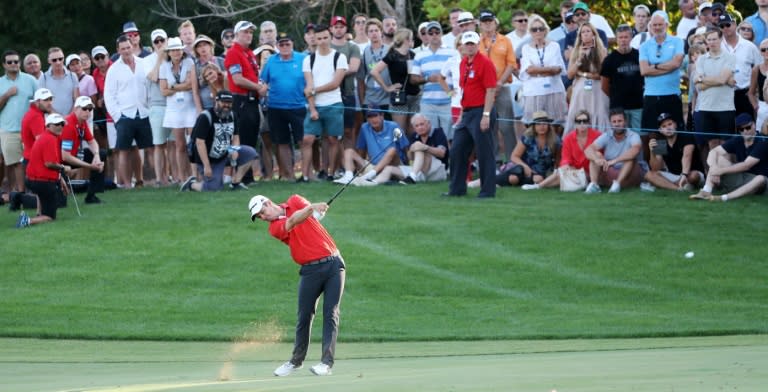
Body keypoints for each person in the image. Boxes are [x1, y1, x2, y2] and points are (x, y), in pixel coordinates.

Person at [248, 193, 345, 377]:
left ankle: (326, 363)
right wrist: (312, 208)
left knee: (331, 313)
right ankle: (296, 361)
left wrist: (316, 211)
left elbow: (310, 214)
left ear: (268, 202)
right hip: (309, 271)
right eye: (259, 217)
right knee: (304, 316)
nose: (262, 217)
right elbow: (293, 221)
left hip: (334, 264)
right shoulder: (274, 228)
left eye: (261, 212)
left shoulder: (295, 200)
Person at [445, 31, 498, 198]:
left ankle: (488, 191)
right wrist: (462, 112)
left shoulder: (485, 63)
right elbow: (464, 90)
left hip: (481, 110)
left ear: (477, 44)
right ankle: (457, 189)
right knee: (457, 150)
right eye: (466, 44)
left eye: (472, 44)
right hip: (467, 112)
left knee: (484, 152)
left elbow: (490, 90)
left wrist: (486, 115)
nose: (469, 46)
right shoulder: (463, 63)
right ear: (462, 45)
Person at [180, 91, 258, 191]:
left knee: (250, 153)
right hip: (207, 157)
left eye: (229, 102)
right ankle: (191, 185)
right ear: (216, 101)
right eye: (224, 102)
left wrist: (234, 150)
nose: (227, 105)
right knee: (213, 188)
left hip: (224, 153)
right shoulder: (205, 117)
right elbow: (199, 143)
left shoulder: (232, 115)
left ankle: (236, 182)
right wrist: (206, 166)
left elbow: (236, 136)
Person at [103, 34, 154, 189]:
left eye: (128, 47)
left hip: (144, 113)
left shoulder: (143, 63)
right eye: (122, 48)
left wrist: (150, 108)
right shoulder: (113, 69)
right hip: (125, 115)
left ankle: (144, 181)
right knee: (124, 150)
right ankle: (126, 184)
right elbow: (109, 95)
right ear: (118, 50)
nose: (126, 51)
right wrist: (118, 117)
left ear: (133, 46)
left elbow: (150, 87)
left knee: (148, 148)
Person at [300, 25, 348, 182]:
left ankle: (331, 173)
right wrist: (312, 108)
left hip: (334, 103)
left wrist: (314, 90)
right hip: (315, 105)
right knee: (308, 139)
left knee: (333, 139)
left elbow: (335, 83)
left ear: (330, 36)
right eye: (319, 38)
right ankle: (306, 175)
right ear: (315, 39)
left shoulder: (339, 57)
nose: (322, 41)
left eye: (325, 37)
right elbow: (308, 86)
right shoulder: (309, 59)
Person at [259, 33, 307, 180]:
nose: (285, 47)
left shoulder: (302, 58)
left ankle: (306, 174)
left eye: (288, 44)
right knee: (281, 142)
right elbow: (263, 81)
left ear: (293, 44)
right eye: (281, 44)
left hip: (298, 105)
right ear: (277, 46)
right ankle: (290, 175)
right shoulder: (271, 61)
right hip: (276, 107)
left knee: (303, 140)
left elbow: (310, 79)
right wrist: (261, 90)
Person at [470, 110, 560, 188]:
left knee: (536, 179)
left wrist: (552, 174)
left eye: (544, 123)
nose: (542, 126)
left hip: (540, 172)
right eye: (538, 124)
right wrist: (526, 167)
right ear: (533, 126)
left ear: (549, 125)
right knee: (513, 178)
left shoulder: (556, 141)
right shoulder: (528, 138)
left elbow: (558, 161)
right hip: (522, 168)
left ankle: (497, 184)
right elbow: (514, 156)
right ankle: (485, 182)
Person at [690, 113, 768, 201]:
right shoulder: (738, 139)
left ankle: (724, 198)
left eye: (748, 127)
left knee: (760, 178)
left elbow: (747, 165)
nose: (745, 131)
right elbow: (713, 151)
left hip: (759, 182)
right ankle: (706, 191)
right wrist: (714, 167)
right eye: (741, 129)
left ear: (754, 125)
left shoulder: (763, 141)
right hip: (741, 177)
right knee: (719, 159)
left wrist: (720, 171)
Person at [522, 109, 601, 191]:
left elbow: (601, 155)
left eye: (584, 121)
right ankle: (538, 186)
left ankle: (593, 184)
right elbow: (565, 158)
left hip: (591, 170)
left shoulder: (597, 135)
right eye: (578, 121)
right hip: (573, 170)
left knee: (596, 155)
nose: (582, 124)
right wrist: (567, 166)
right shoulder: (568, 138)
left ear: (589, 122)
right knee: (561, 172)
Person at [225, 21, 263, 183]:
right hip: (241, 100)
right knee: (244, 139)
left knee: (251, 138)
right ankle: (242, 177)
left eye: (250, 32)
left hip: (252, 100)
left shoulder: (249, 53)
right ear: (236, 35)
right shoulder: (234, 52)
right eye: (245, 32)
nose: (248, 35)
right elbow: (237, 79)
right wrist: (258, 87)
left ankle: (247, 176)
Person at [16, 113, 69, 228]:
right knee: (50, 217)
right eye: (57, 124)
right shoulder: (50, 139)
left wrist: (59, 178)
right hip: (42, 182)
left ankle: (38, 213)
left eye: (62, 124)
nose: (60, 126)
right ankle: (27, 221)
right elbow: (49, 163)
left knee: (45, 196)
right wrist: (64, 168)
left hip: (34, 179)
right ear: (48, 126)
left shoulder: (47, 137)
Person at [477, 9, 517, 160]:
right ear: (480, 25)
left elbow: (511, 64)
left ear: (495, 23)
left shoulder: (505, 40)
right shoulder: (476, 41)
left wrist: (499, 83)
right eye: (484, 22)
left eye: (490, 21)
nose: (488, 25)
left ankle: (513, 161)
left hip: (502, 88)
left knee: (507, 126)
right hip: (483, 90)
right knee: (488, 126)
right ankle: (492, 162)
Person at [364, 113, 447, 185]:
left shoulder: (438, 132)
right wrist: (412, 149)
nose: (420, 127)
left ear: (428, 123)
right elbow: (410, 158)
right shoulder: (414, 136)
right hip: (419, 171)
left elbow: (442, 153)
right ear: (414, 128)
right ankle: (373, 183)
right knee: (389, 169)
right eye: (417, 126)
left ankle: (412, 177)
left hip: (436, 170)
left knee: (419, 147)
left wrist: (425, 147)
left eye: (422, 124)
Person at [336, 105, 409, 184]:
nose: (373, 119)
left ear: (382, 116)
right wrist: (361, 165)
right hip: (373, 165)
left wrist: (406, 165)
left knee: (392, 150)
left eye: (375, 116)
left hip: (393, 165)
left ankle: (368, 176)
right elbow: (361, 150)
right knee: (348, 151)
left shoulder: (393, 126)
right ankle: (348, 177)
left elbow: (404, 147)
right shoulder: (364, 127)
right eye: (370, 117)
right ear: (367, 119)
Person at [639, 11, 685, 134]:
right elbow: (644, 70)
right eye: (654, 25)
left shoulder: (677, 41)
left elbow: (676, 64)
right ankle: (657, 154)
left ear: (667, 25)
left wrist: (654, 67)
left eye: (660, 24)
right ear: (650, 26)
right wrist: (667, 66)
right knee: (654, 134)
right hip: (651, 96)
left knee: (675, 132)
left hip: (672, 94)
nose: (657, 28)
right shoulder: (644, 46)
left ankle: (673, 154)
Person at [519, 14, 568, 129]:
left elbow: (558, 69)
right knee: (534, 126)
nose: (538, 31)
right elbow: (529, 70)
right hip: (534, 92)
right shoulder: (526, 48)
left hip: (554, 90)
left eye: (541, 28)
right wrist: (549, 70)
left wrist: (538, 72)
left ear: (546, 30)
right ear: (529, 32)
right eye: (534, 29)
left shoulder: (554, 46)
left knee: (557, 125)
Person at [693, 26, 736, 155]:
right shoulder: (701, 59)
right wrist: (721, 80)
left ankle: (725, 173)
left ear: (721, 39)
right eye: (709, 40)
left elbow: (722, 80)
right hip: (706, 107)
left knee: (726, 147)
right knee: (712, 145)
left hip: (725, 108)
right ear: (706, 42)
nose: (712, 42)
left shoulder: (730, 57)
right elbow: (699, 87)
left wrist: (702, 79)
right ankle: (714, 174)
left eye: (714, 39)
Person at [584, 108, 646, 193]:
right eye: (614, 121)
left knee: (630, 158)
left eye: (620, 121)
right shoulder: (607, 135)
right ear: (610, 123)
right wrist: (596, 159)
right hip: (610, 170)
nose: (617, 124)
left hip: (630, 172)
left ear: (625, 122)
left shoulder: (634, 135)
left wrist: (615, 161)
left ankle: (617, 185)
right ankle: (594, 185)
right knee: (596, 154)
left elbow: (635, 150)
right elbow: (588, 149)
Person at [1, 49, 38, 192]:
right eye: (9, 62)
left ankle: (33, 192)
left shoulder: (31, 80)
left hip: (30, 130)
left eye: (16, 61)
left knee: (32, 161)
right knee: (15, 163)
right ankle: (20, 193)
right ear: (4, 65)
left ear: (20, 63)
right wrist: (6, 95)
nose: (13, 64)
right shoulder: (0, 83)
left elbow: (40, 102)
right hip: (9, 130)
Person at [371, 28, 419, 134]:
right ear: (406, 40)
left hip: (414, 96)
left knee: (414, 129)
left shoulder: (412, 54)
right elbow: (374, 71)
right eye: (411, 38)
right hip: (399, 97)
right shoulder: (392, 55)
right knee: (400, 131)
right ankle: (400, 150)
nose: (413, 41)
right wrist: (387, 88)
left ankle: (411, 150)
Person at [329, 16, 362, 171]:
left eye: (342, 26)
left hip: (347, 94)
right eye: (336, 26)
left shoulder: (352, 47)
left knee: (349, 131)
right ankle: (331, 168)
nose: (339, 29)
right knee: (331, 135)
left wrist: (334, 74)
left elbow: (354, 68)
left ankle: (350, 166)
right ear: (331, 29)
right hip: (329, 95)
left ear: (346, 29)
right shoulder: (326, 47)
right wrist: (342, 70)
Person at [410, 21, 456, 133]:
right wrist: (427, 79)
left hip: (448, 100)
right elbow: (413, 79)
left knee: (450, 136)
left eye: (437, 32)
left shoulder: (452, 52)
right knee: (429, 135)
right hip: (428, 102)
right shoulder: (420, 55)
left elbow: (458, 76)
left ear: (441, 33)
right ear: (426, 35)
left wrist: (454, 94)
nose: (434, 35)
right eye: (430, 33)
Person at [60, 96, 106, 204]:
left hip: (72, 156)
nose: (88, 112)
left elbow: (92, 141)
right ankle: (20, 198)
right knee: (58, 203)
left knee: (102, 153)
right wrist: (90, 166)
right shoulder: (68, 125)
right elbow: (65, 156)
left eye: (90, 109)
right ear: (76, 109)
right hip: (60, 161)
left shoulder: (82, 122)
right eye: (84, 108)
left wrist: (96, 156)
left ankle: (92, 195)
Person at [565, 23, 608, 134]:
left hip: (597, 90)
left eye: (588, 31)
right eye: (583, 32)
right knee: (580, 114)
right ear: (580, 36)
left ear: (594, 34)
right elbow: (570, 74)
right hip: (581, 91)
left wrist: (584, 74)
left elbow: (603, 73)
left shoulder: (601, 51)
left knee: (598, 114)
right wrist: (579, 59)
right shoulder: (576, 51)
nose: (585, 34)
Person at [600, 24, 644, 135]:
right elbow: (604, 85)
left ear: (631, 38)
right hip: (618, 106)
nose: (623, 40)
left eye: (626, 37)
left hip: (638, 105)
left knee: (639, 136)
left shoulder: (639, 55)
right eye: (620, 37)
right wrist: (615, 96)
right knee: (620, 136)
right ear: (616, 39)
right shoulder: (609, 60)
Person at [644, 113, 704, 191]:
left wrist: (684, 175)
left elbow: (687, 156)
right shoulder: (660, 142)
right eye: (664, 126)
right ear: (660, 130)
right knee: (649, 175)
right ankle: (678, 189)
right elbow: (656, 168)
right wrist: (652, 152)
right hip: (674, 175)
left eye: (670, 124)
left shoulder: (686, 136)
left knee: (693, 176)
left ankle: (671, 184)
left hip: (691, 173)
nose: (668, 128)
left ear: (675, 125)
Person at [720, 13, 762, 119]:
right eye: (722, 26)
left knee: (747, 129)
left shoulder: (750, 47)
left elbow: (760, 69)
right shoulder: (718, 47)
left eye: (727, 25)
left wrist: (754, 91)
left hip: (745, 94)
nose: (725, 28)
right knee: (727, 130)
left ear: (734, 24)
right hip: (724, 94)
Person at [357, 18, 391, 114]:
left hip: (387, 98)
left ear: (381, 32)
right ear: (367, 34)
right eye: (371, 31)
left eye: (376, 30)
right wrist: (362, 101)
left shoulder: (389, 50)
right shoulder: (365, 52)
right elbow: (361, 79)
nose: (374, 33)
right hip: (370, 98)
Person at [40, 47, 80, 116]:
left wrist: (69, 117)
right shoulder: (44, 78)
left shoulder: (72, 76)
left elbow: (76, 99)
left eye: (60, 59)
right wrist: (58, 117)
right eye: (54, 60)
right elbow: (43, 102)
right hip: (51, 120)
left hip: (71, 119)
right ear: (49, 61)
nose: (58, 62)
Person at [751, 39, 768, 132]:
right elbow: (751, 93)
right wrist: (757, 108)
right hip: (763, 106)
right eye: (763, 49)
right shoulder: (756, 69)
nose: (766, 51)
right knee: (762, 137)